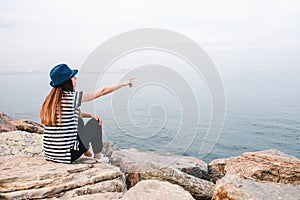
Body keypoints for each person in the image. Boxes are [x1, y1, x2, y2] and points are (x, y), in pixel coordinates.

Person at [40, 63, 134, 164]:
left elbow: (74, 115)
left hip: (50, 154)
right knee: (95, 122)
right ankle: (98, 157)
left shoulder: (50, 100)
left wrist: (89, 115)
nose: (75, 78)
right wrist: (124, 83)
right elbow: (102, 91)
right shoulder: (73, 97)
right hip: (67, 155)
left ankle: (85, 151)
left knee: (78, 122)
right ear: (67, 81)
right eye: (73, 76)